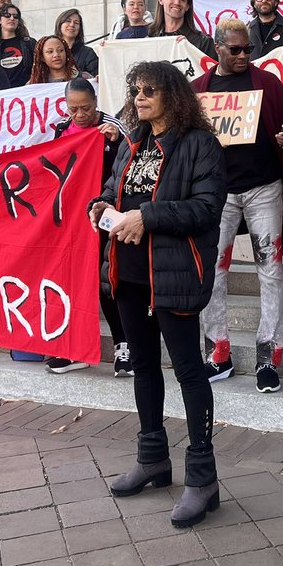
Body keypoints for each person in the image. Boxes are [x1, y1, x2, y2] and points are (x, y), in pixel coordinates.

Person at [90, 61, 226, 528]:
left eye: (150, 89)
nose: (141, 96)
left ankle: (203, 479)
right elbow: (111, 191)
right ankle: (153, 459)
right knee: (144, 367)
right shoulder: (132, 145)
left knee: (188, 370)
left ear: (173, 94)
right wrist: (101, 208)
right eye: (136, 89)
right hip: (127, 273)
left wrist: (147, 216)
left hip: (173, 275)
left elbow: (207, 209)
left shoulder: (200, 144)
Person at [192, 19, 283, 392]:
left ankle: (269, 355)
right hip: (217, 193)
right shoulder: (197, 91)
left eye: (248, 49)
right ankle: (217, 352)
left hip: (264, 186)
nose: (242, 55)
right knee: (213, 271)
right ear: (217, 49)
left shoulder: (267, 83)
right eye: (235, 49)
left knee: (270, 270)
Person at [44, 78, 133, 376]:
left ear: (96, 102)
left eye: (86, 108)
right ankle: (73, 348)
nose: (80, 115)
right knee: (73, 281)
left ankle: (124, 347)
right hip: (71, 218)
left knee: (106, 281)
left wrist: (118, 143)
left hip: (105, 214)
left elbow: (132, 162)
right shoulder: (60, 129)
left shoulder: (114, 127)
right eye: (74, 109)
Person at [148, 0, 215, 57]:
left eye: (182, 0)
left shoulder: (204, 42)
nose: (177, 3)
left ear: (187, 6)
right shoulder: (148, 36)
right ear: (161, 0)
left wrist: (189, 49)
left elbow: (212, 68)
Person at [0, 3, 36, 88]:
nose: (12, 18)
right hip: (2, 95)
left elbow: (39, 67)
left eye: (15, 16)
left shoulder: (30, 43)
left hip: (26, 93)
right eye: (7, 15)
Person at [55, 8, 99, 78]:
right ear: (60, 24)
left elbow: (97, 77)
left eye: (76, 23)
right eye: (68, 21)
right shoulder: (51, 53)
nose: (72, 25)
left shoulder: (88, 53)